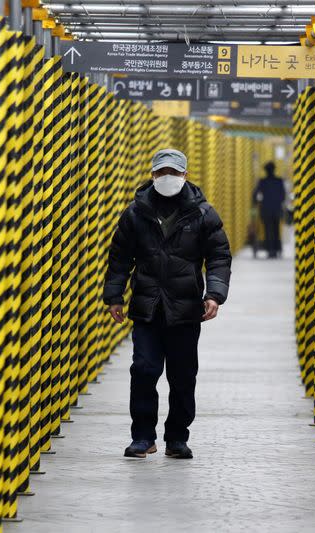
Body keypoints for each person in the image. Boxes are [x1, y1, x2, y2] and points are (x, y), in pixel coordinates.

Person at [103, 148, 232, 460]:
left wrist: (214, 294)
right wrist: (114, 296)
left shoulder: (202, 213)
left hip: (186, 310)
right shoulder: (136, 213)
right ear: (152, 175)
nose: (167, 178)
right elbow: (119, 257)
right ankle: (142, 437)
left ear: (185, 176)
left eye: (173, 173)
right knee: (144, 370)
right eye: (162, 173)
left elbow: (218, 257)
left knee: (183, 375)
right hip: (147, 308)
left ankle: (177, 437)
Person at [253, 161, 287, 258]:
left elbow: (255, 195)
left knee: (268, 230)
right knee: (276, 230)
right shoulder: (279, 181)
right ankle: (276, 249)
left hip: (266, 209)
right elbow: (283, 195)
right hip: (276, 209)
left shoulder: (262, 182)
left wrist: (259, 201)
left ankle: (270, 250)